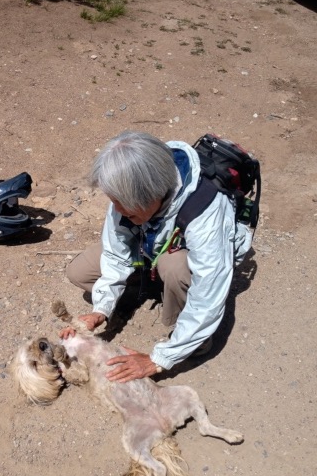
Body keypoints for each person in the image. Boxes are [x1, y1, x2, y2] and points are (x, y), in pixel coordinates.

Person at [63, 131, 252, 383]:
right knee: (79, 272)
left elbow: (209, 291)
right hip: (153, 245)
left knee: (174, 267)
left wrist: (158, 360)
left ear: (153, 194)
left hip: (180, 259)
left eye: (124, 205)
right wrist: (102, 308)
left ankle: (197, 340)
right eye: (113, 201)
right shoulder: (127, 190)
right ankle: (152, 289)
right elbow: (115, 253)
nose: (116, 210)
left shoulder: (205, 209)